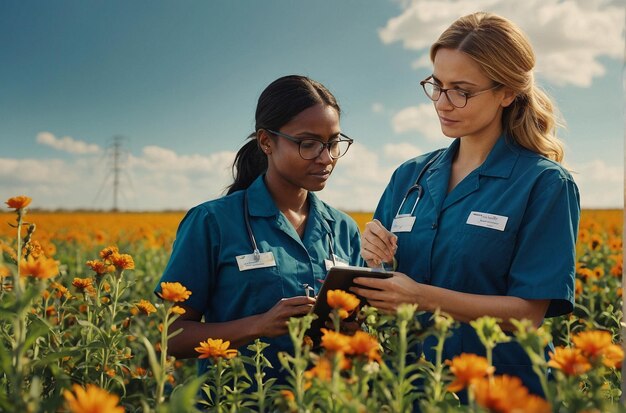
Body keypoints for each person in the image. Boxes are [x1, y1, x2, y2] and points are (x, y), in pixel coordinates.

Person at [351, 12, 580, 398]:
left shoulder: (545, 184)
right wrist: (375, 257)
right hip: (413, 386)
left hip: (501, 392)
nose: (443, 102)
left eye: (462, 90)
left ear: (507, 92)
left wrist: (421, 297)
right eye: (436, 85)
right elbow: (382, 279)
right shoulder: (410, 176)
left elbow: (528, 314)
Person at [155, 75, 363, 382]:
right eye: (308, 144)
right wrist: (257, 326)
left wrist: (351, 327)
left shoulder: (344, 229)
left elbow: (357, 326)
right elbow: (170, 335)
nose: (326, 157)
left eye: (333, 143)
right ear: (266, 141)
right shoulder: (212, 222)